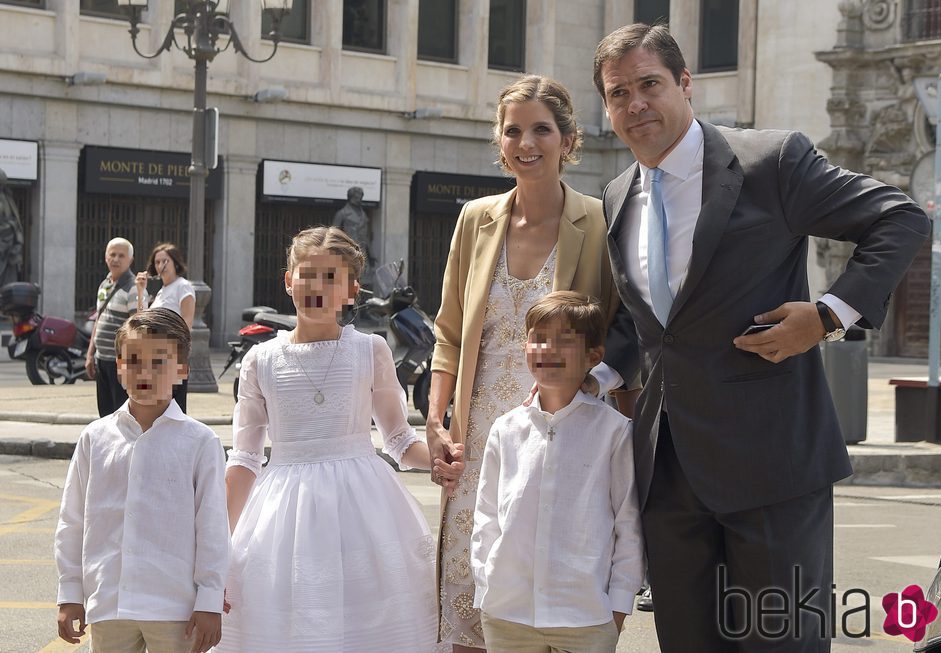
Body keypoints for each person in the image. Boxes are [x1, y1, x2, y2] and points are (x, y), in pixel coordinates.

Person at [593, 23, 931, 652]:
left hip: (772, 464)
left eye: (649, 84)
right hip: (669, 474)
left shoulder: (769, 162)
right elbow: (647, 326)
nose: (635, 104)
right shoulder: (617, 196)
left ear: (685, 84)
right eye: (618, 93)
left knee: (783, 643)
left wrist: (826, 315)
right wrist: (593, 375)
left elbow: (899, 218)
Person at [427, 74, 625, 652]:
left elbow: (620, 331)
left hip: (563, 432)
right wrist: (437, 424)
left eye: (542, 129)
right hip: (479, 431)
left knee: (543, 595)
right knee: (466, 597)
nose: (526, 143)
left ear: (568, 139)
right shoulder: (475, 218)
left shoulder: (601, 220)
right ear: (500, 141)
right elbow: (448, 333)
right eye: (513, 131)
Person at [217, 226, 462, 653]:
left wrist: (438, 458)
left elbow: (400, 441)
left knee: (366, 629)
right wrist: (215, 549)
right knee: (289, 623)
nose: (317, 287)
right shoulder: (261, 360)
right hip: (281, 515)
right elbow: (244, 459)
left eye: (331, 277)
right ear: (288, 280)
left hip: (364, 511)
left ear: (351, 289)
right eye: (307, 274)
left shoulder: (370, 350)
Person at [471, 291, 644, 653]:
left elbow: (628, 525)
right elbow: (486, 517)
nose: (548, 349)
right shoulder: (505, 428)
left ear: (593, 356)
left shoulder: (613, 431)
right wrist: (486, 585)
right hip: (508, 613)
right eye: (538, 339)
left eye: (564, 341)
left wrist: (617, 608)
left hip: (585, 615)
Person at [55, 308, 229, 653]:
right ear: (119, 366)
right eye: (133, 360)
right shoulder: (95, 438)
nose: (144, 372)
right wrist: (70, 592)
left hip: (175, 606)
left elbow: (212, 527)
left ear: (182, 369)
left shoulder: (200, 442)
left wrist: (209, 599)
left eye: (159, 361)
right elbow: (72, 521)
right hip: (109, 602)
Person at [135, 243, 196, 412]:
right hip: (154, 355)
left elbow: (187, 323)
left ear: (175, 262)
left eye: (165, 261)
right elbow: (142, 317)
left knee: (174, 405)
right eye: (157, 262)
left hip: (172, 355)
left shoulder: (183, 286)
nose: (161, 265)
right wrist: (141, 291)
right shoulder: (162, 290)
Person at [86, 238, 139, 417]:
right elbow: (98, 320)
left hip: (119, 363)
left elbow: (135, 329)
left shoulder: (134, 289)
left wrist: (128, 362)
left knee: (121, 413)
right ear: (106, 257)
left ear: (130, 260)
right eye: (112, 254)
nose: (116, 259)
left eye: (121, 255)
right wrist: (90, 353)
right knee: (105, 413)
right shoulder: (105, 285)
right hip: (102, 359)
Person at [332, 186, 372, 278]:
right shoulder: (342, 213)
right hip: (348, 251)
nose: (360, 199)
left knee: (365, 281)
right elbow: (333, 234)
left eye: (361, 196)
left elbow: (366, 235)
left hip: (363, 251)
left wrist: (371, 254)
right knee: (349, 278)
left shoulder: (363, 214)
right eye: (358, 196)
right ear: (351, 197)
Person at [0, 169, 24, 287]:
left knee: (8, 283)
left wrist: (12, 227)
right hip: (3, 245)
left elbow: (16, 221)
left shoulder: (8, 199)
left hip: (10, 248)